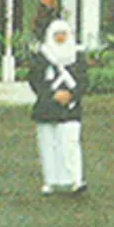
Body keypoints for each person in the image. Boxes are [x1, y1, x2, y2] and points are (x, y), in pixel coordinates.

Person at [28, 19, 88, 196]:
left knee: (70, 143)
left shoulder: (77, 56)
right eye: (57, 34)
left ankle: (76, 180)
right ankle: (51, 181)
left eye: (64, 34)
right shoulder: (43, 56)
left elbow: (84, 81)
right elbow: (35, 80)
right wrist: (51, 95)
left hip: (70, 108)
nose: (61, 37)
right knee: (48, 144)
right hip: (47, 107)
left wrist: (71, 95)